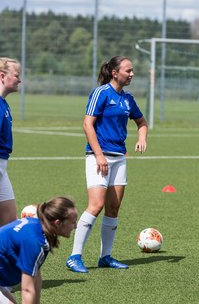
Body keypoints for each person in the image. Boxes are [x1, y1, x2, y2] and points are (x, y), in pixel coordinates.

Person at [66, 55, 148, 273]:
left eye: (132, 71)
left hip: (119, 158)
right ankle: (74, 256)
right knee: (96, 205)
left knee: (113, 207)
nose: (131, 74)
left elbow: (141, 122)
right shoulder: (101, 93)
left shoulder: (128, 99)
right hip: (97, 157)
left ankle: (105, 256)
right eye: (128, 70)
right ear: (114, 73)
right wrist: (99, 155)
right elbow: (87, 124)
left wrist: (142, 137)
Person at [0, 196, 78, 304]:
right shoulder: (35, 241)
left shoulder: (37, 227)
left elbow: (36, 275)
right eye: (73, 222)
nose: (76, 226)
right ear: (57, 223)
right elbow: (27, 290)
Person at [0, 57, 21, 227]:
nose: (19, 79)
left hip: (2, 168)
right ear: (2, 76)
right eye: (16, 75)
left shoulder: (4, 104)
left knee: (9, 224)